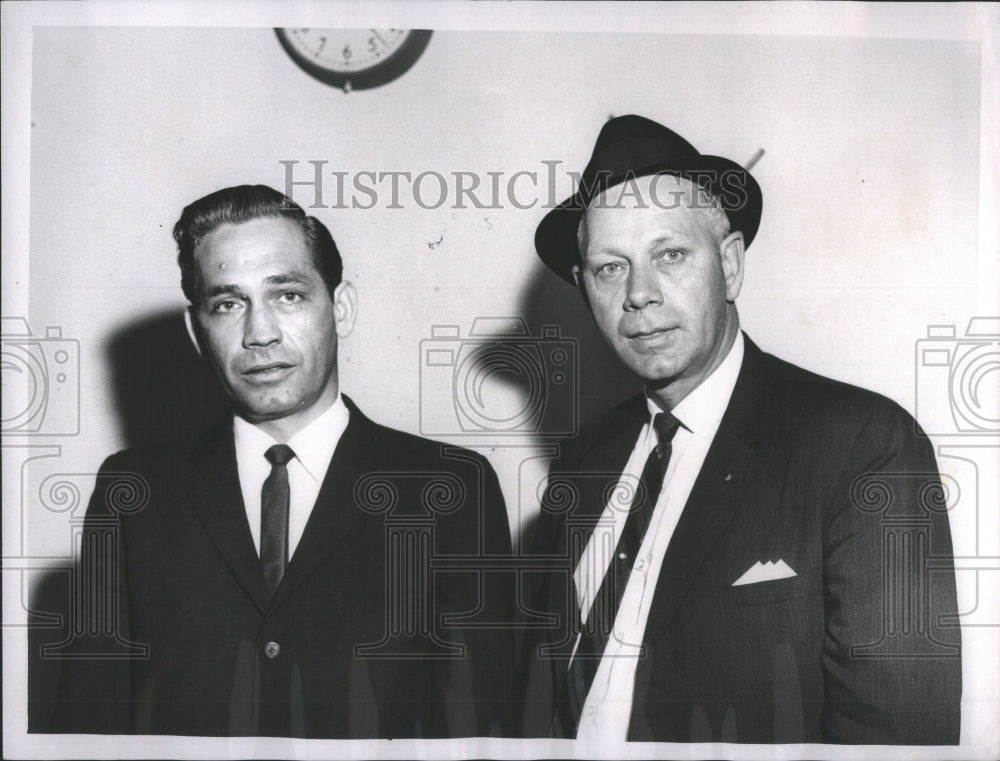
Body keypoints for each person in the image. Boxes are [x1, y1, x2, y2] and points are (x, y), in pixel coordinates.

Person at [522, 115, 961, 744]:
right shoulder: (584, 458)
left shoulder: (862, 445)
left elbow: (898, 740)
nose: (639, 295)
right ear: (583, 287)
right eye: (609, 269)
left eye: (669, 254)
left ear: (729, 264)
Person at [50, 185, 514, 737]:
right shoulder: (134, 491)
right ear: (197, 331)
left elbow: (480, 729)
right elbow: (84, 730)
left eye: (287, 295)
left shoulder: (450, 487)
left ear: (340, 307)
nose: (260, 333)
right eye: (227, 303)